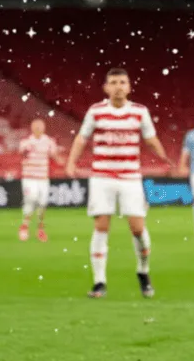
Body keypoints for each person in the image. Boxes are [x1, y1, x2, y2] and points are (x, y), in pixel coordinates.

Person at [65, 68, 174, 299]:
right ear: (106, 88)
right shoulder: (96, 111)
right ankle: (99, 282)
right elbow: (81, 137)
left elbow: (150, 139)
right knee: (101, 226)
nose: (118, 86)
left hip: (130, 177)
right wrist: (71, 162)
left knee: (137, 227)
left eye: (122, 82)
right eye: (113, 82)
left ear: (129, 86)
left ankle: (143, 271)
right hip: (102, 176)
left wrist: (165, 158)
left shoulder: (139, 112)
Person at [17, 119, 64, 241]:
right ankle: (24, 226)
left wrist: (61, 161)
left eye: (40, 127)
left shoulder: (49, 142)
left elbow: (55, 156)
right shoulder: (26, 142)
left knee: (42, 203)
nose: (38, 129)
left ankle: (40, 229)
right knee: (31, 199)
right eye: (36, 127)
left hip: (43, 178)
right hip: (29, 178)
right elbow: (21, 154)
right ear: (32, 128)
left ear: (43, 128)